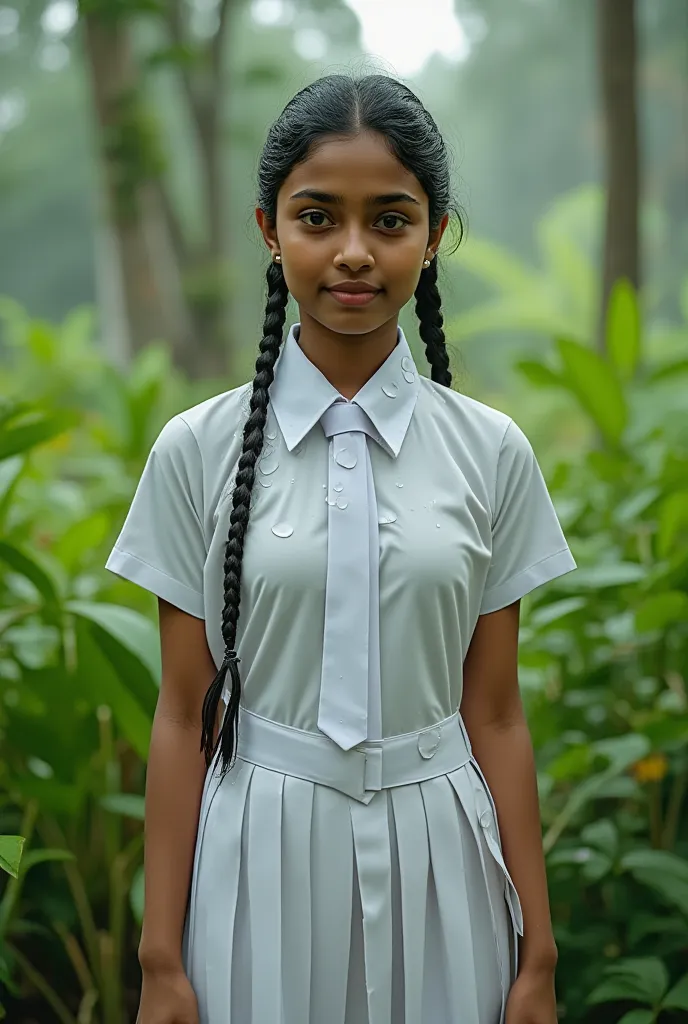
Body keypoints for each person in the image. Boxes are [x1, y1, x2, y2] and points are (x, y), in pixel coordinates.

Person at [106, 73, 576, 1024]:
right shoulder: (197, 451)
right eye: (318, 217)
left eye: (390, 220)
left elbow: (495, 716)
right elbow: (181, 714)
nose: (354, 253)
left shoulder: (492, 452)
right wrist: (161, 957)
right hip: (257, 855)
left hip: (445, 851)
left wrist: (540, 953)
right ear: (268, 229)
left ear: (434, 233)